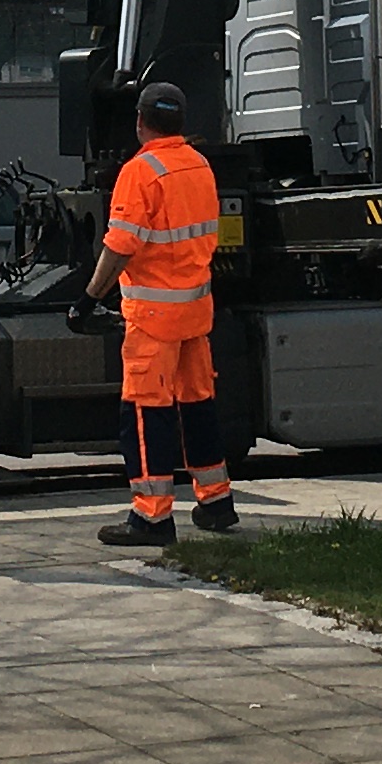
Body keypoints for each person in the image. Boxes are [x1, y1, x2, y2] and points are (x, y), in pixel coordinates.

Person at [93, 80, 237, 548]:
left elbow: (120, 245)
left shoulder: (140, 172)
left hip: (154, 318)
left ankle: (152, 517)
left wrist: (90, 295)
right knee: (198, 404)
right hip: (195, 311)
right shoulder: (199, 165)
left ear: (140, 121)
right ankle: (215, 501)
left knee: (143, 412)